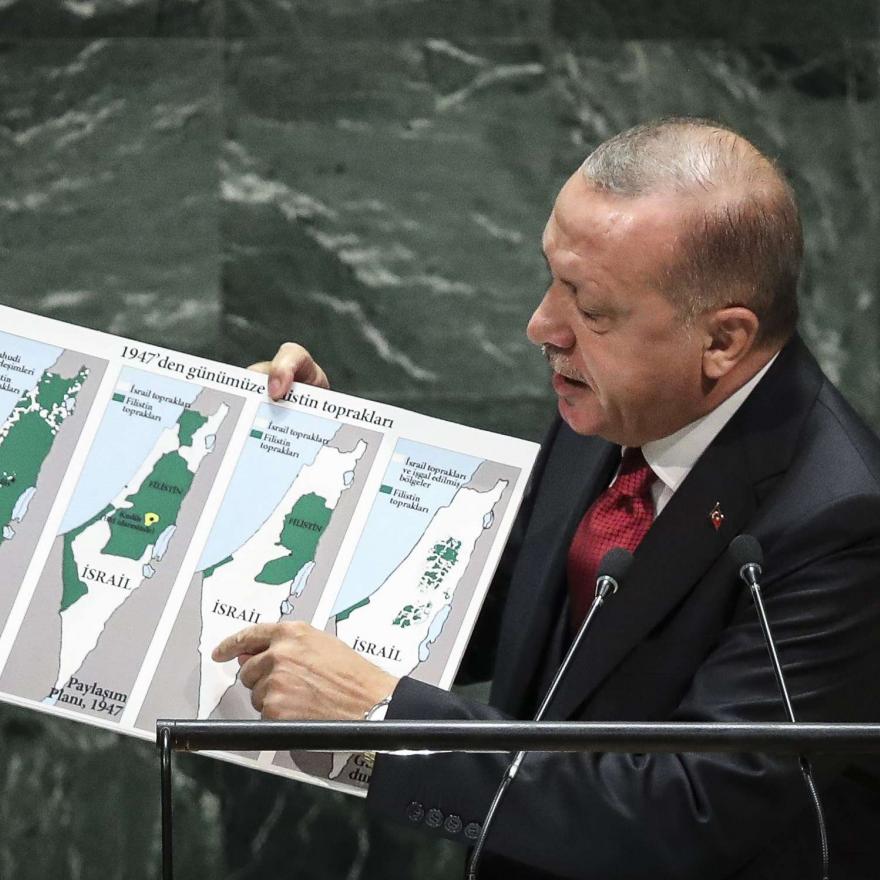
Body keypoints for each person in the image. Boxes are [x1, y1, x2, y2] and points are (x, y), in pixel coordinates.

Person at [212, 118, 880, 879]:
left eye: (591, 310)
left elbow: (687, 814)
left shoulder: (844, 525)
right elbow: (477, 608)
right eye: (553, 278)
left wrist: (385, 719)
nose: (542, 326)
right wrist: (314, 462)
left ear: (723, 341)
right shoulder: (609, 408)